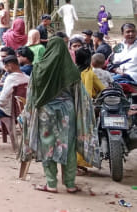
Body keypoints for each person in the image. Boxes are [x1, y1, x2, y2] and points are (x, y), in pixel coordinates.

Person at [20, 37, 100, 194]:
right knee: (68, 147)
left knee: (47, 146)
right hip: (67, 113)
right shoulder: (71, 70)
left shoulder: (39, 68)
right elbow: (80, 95)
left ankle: (51, 184)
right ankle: (70, 184)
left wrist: (28, 114)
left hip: (45, 113)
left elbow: (32, 94)